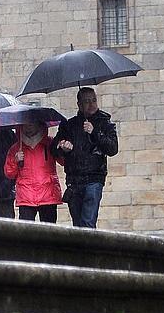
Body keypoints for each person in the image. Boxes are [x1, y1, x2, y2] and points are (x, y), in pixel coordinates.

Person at [50, 87, 118, 228]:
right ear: (79, 104)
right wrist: (63, 148)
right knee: (77, 224)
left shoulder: (105, 123)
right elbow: (53, 149)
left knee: (88, 221)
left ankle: (89, 249)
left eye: (94, 100)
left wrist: (95, 133)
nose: (92, 104)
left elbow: (112, 148)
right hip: (74, 181)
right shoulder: (69, 125)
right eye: (87, 101)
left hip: (94, 178)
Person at [4, 121, 64, 223]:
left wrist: (63, 150)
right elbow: (9, 173)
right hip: (26, 196)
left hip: (48, 193)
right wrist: (15, 161)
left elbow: (63, 162)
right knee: (25, 232)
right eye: (26, 124)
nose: (28, 127)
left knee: (49, 232)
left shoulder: (50, 143)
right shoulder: (15, 148)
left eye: (32, 124)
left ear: (39, 125)